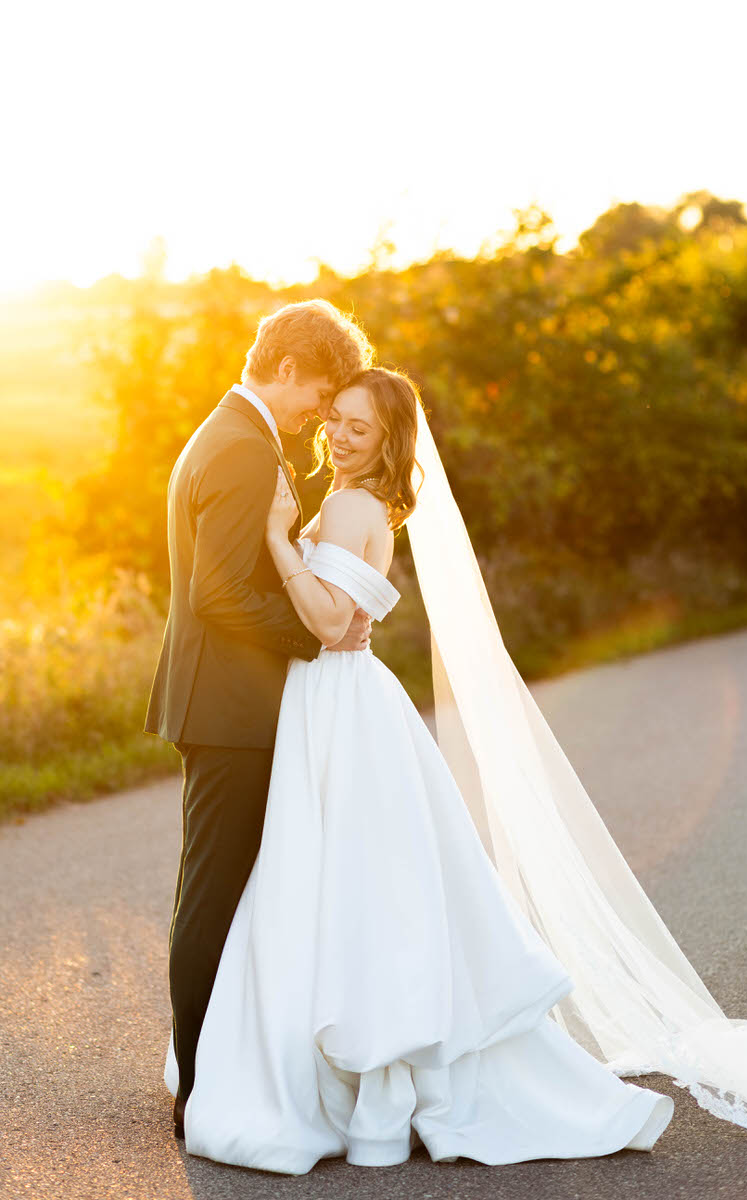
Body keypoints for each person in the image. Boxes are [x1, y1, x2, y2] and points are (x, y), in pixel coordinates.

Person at [163, 367, 677, 1172]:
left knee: (330, 879)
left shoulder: (346, 505)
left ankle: (332, 1066)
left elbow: (334, 623)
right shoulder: (357, 502)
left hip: (335, 697)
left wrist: (272, 538)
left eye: (357, 428)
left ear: (388, 441)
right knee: (356, 881)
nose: (335, 433)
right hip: (343, 701)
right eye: (334, 418)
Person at [144, 299, 375, 1139]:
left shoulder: (229, 431)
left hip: (218, 699)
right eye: (318, 394)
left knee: (211, 889)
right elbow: (218, 594)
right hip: (232, 706)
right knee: (212, 895)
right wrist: (317, 636)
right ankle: (201, 1090)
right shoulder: (243, 446)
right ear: (287, 370)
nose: (320, 412)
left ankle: (205, 1069)